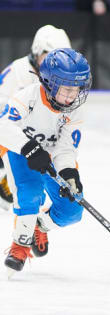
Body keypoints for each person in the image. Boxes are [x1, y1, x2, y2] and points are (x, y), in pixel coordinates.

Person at [0, 48, 92, 274]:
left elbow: (66, 146)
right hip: (18, 151)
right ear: (50, 83)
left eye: (77, 89)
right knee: (30, 193)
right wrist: (29, 148)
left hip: (49, 155)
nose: (73, 96)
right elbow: (3, 127)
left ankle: (39, 226)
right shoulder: (27, 97)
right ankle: (19, 246)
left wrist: (69, 172)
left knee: (72, 210)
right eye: (67, 89)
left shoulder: (76, 110)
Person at [0, 24, 71, 211]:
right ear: (37, 51)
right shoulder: (20, 72)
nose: (56, 63)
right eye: (51, 56)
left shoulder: (50, 76)